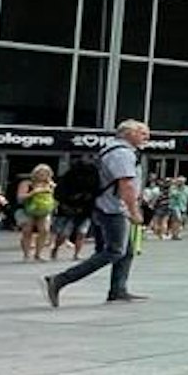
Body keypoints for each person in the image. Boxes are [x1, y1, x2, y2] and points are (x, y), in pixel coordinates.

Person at [42, 120, 151, 307]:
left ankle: (118, 289)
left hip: (107, 205)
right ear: (127, 133)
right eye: (142, 132)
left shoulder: (113, 150)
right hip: (113, 208)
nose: (146, 136)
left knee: (126, 251)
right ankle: (60, 280)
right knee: (114, 251)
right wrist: (134, 211)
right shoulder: (122, 154)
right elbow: (125, 184)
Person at [17, 165, 57, 262]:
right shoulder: (27, 183)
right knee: (27, 231)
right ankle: (26, 255)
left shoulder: (51, 185)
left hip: (44, 210)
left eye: (45, 173)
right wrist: (34, 192)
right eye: (40, 173)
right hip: (28, 209)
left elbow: (55, 197)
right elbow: (20, 197)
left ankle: (38, 254)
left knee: (44, 230)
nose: (42, 175)